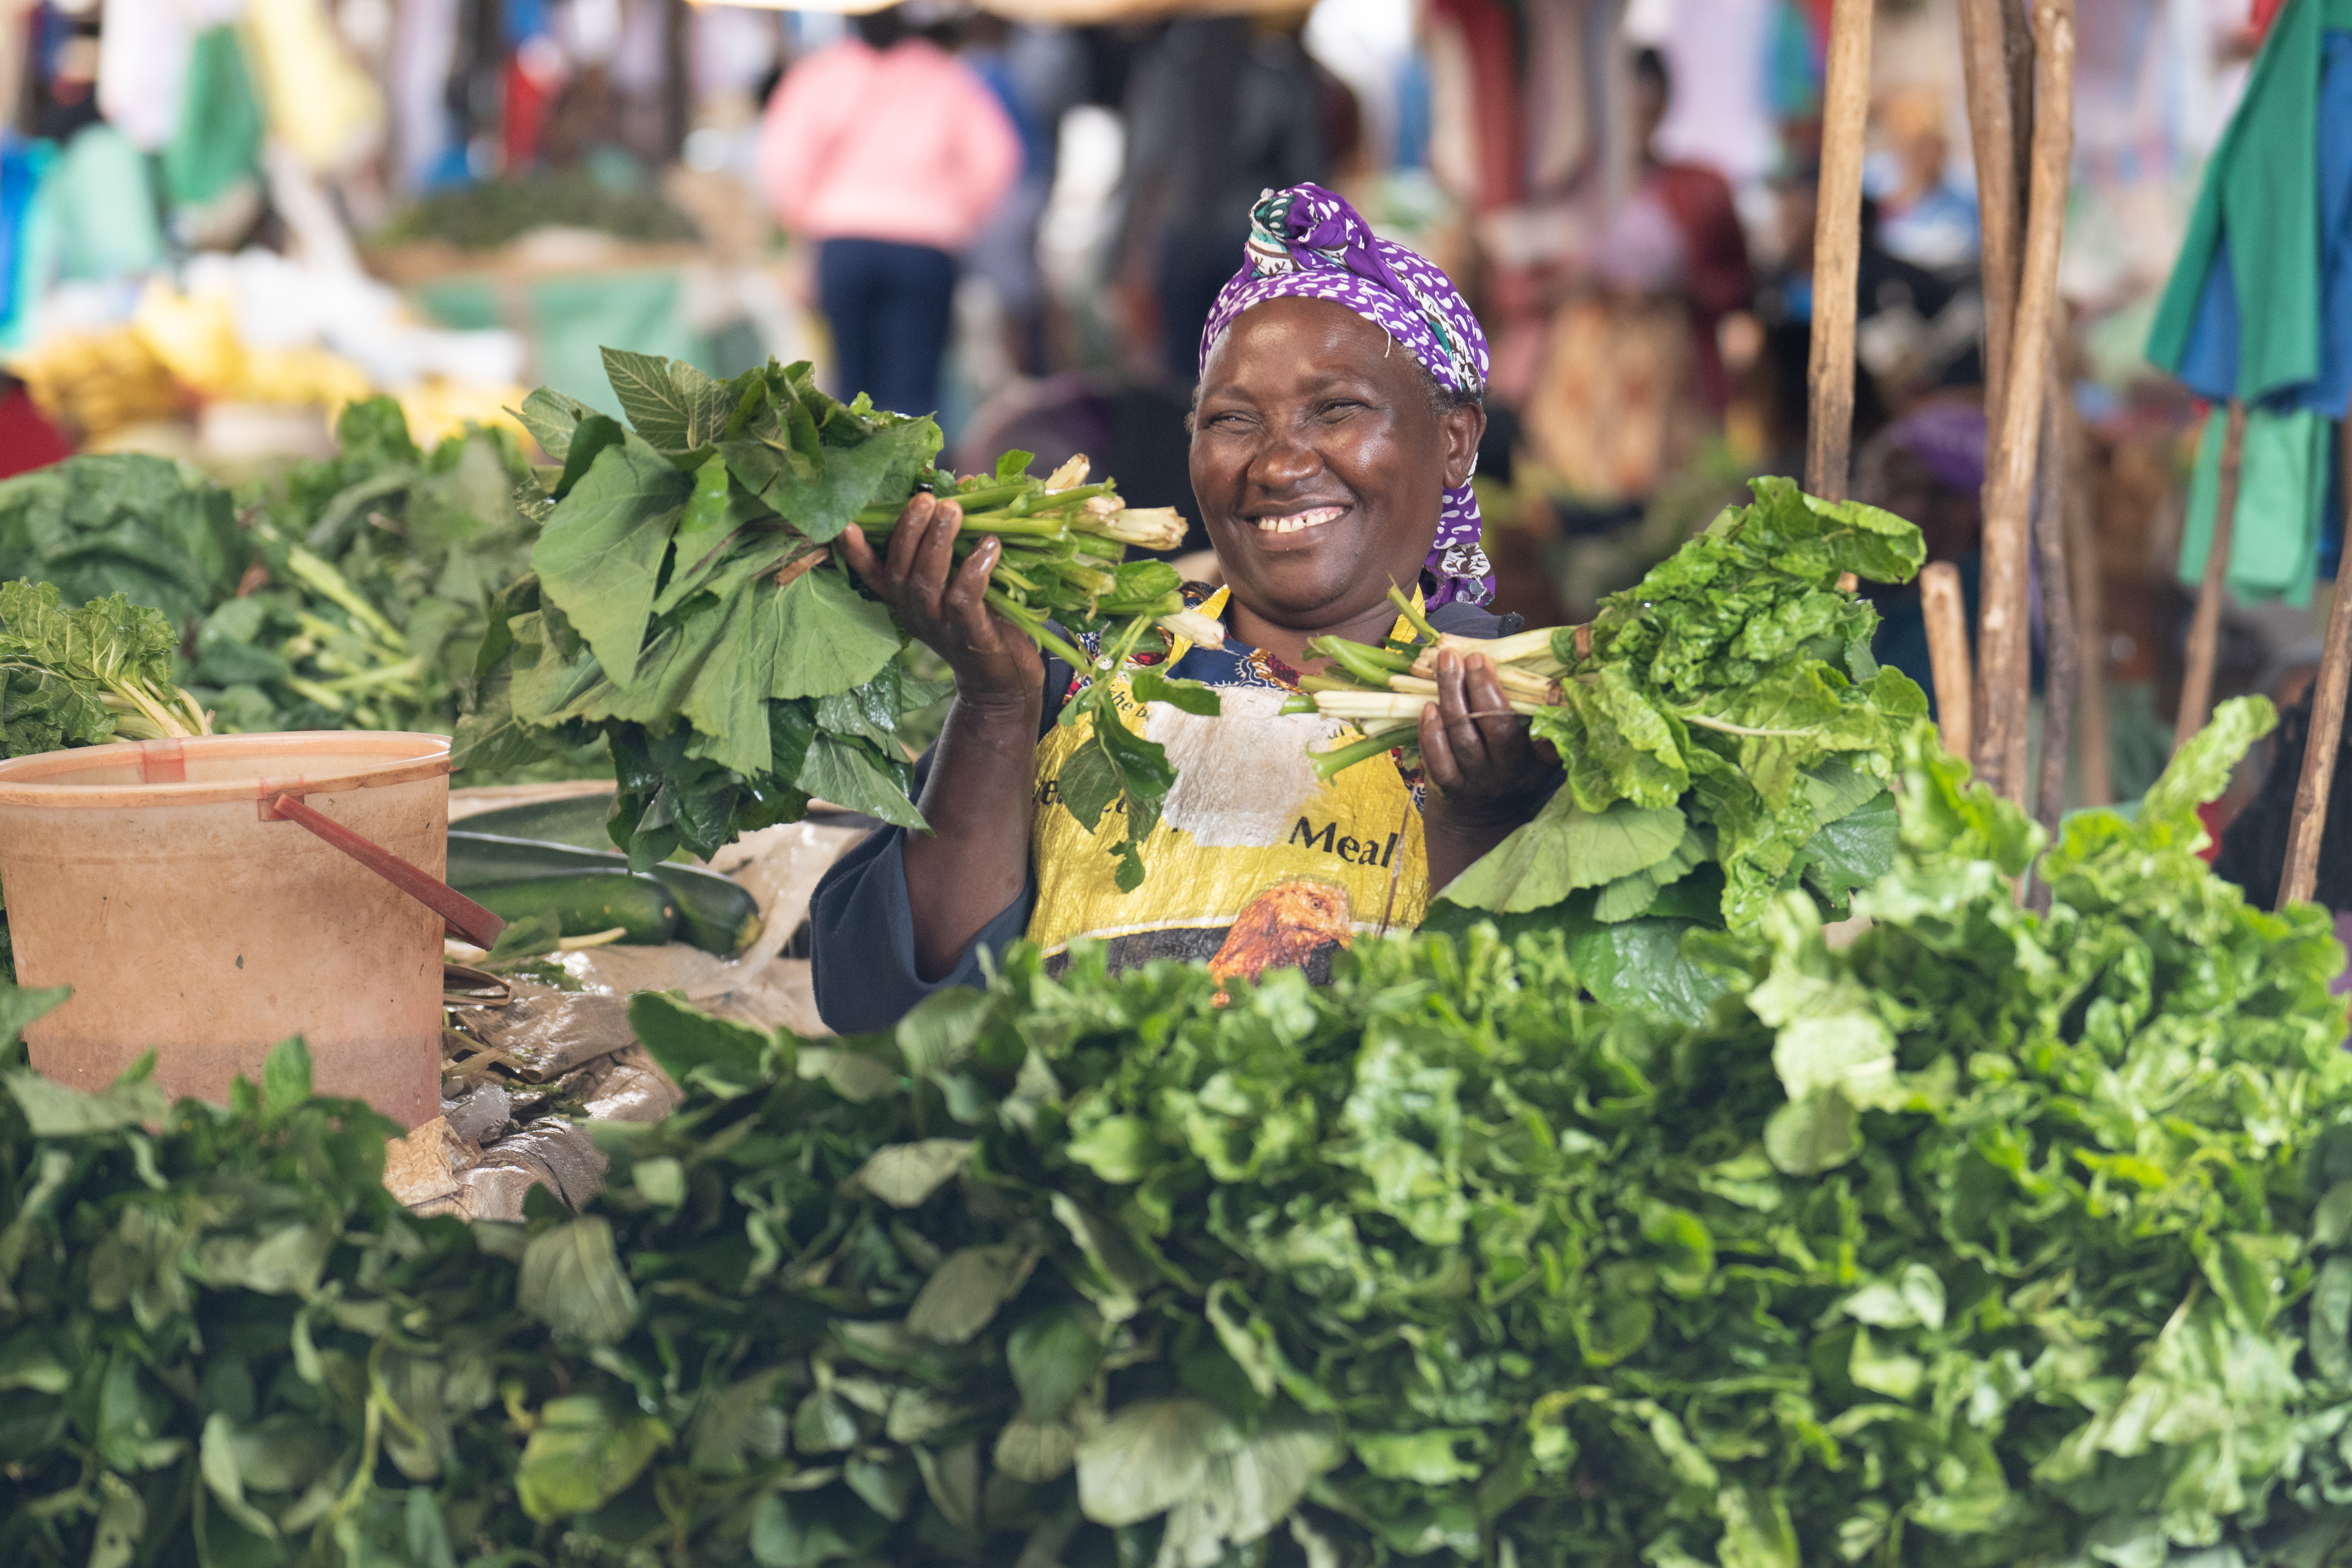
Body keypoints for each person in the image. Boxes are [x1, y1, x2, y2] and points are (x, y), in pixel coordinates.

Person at [811, 184, 1558, 1032]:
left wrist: (1486, 820)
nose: (1278, 465)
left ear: (1455, 440)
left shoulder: (1529, 715)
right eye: (1234, 420)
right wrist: (994, 710)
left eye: (1338, 409)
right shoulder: (1079, 673)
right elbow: (887, 1017)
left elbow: (1536, 1050)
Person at [757, 7, 1019, 416]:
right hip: (924, 245)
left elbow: (783, 163)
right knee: (913, 396)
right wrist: (955, 215)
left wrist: (805, 218)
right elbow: (997, 157)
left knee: (851, 392)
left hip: (844, 239)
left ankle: (856, 476)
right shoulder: (945, 76)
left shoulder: (820, 74)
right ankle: (918, 480)